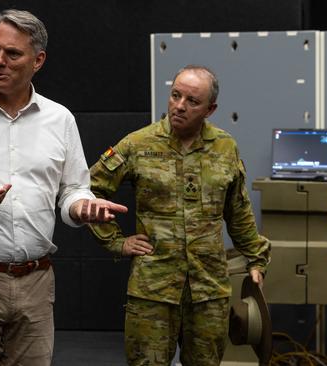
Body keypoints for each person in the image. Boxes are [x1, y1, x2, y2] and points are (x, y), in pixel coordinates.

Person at [0, 9, 127, 366]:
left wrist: (81, 207)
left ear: (38, 60)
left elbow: (74, 189)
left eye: (13, 54)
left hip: (37, 282)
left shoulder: (60, 119)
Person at [88, 65, 271, 365]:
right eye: (175, 96)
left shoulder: (225, 147)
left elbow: (238, 211)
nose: (180, 106)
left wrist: (256, 258)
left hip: (208, 290)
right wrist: (116, 242)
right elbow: (92, 191)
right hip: (153, 290)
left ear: (210, 109)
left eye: (192, 101)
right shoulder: (138, 144)